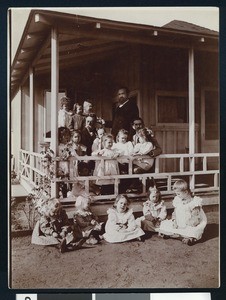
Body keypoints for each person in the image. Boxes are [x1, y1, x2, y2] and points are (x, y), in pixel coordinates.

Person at [158, 179, 207, 245]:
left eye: (178, 194)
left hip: (190, 224)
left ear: (186, 192)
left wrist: (190, 224)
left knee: (193, 231)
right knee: (165, 225)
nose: (177, 195)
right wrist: (174, 221)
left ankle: (185, 237)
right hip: (179, 223)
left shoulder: (194, 203)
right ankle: (178, 236)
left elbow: (196, 217)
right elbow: (175, 212)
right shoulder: (178, 200)